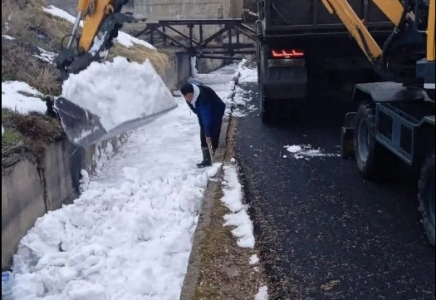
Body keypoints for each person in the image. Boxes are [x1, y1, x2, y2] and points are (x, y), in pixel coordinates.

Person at [181, 82, 226, 168]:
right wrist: (205, 131)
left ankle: (216, 158)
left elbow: (206, 117)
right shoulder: (190, 99)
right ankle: (206, 159)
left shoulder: (203, 97)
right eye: (186, 97)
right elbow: (200, 114)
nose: (188, 99)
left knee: (214, 133)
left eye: (190, 96)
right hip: (205, 113)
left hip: (217, 111)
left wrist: (208, 135)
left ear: (193, 93)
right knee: (203, 133)